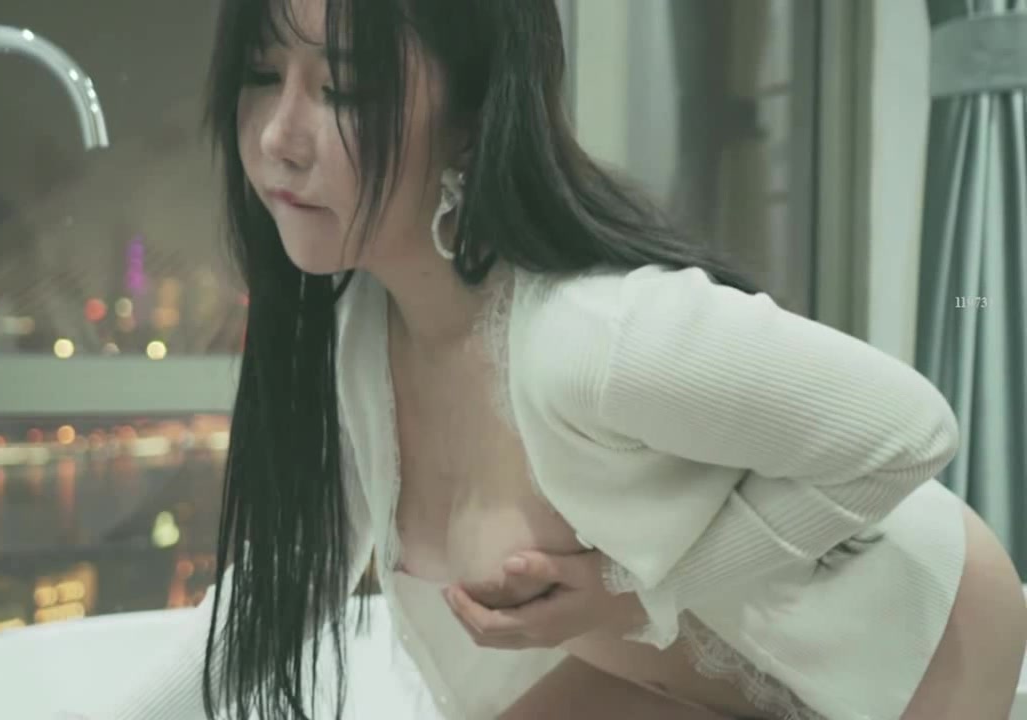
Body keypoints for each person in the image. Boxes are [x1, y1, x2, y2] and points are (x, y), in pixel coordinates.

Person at [88, 0, 1027, 718]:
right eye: (262, 75)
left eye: (343, 89)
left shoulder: (586, 336)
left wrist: (634, 592)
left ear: (469, 111)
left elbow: (910, 431)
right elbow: (286, 587)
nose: (276, 138)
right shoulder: (362, 338)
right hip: (693, 673)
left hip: (913, 640)